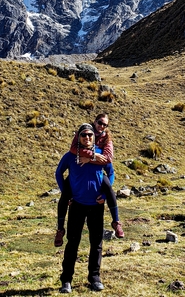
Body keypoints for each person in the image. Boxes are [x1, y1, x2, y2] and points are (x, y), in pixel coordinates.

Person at [55, 124, 114, 293]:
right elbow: (59, 173)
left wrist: (104, 195)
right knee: (72, 243)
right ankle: (66, 280)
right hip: (77, 206)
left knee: (96, 243)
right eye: (83, 135)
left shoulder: (101, 155)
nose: (87, 138)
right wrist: (66, 193)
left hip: (96, 207)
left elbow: (111, 173)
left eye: (90, 135)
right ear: (78, 137)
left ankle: (94, 278)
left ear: (93, 137)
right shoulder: (70, 156)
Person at [54, 113, 124, 247]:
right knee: (65, 195)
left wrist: (90, 159)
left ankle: (116, 221)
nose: (101, 126)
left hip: (97, 171)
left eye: (105, 125)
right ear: (94, 121)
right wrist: (92, 155)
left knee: (108, 187)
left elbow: (108, 159)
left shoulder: (106, 139)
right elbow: (73, 149)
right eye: (100, 123)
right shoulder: (85, 130)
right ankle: (60, 229)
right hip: (78, 172)